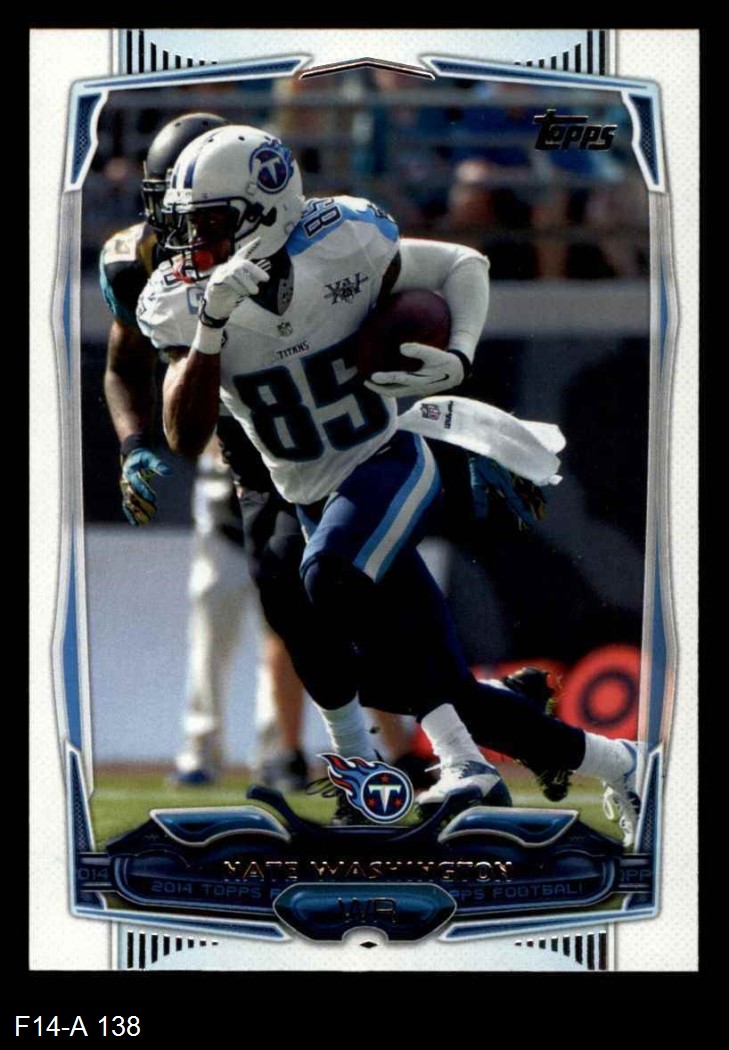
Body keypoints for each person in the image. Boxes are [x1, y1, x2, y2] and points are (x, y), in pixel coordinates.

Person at [137, 123, 645, 845]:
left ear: (266, 208)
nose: (195, 244)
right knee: (395, 676)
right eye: (190, 226)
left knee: (330, 580)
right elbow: (185, 436)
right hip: (308, 494)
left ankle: (462, 765)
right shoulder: (183, 300)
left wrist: (459, 354)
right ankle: (614, 762)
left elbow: (462, 264)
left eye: (212, 224)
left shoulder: (342, 240)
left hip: (384, 460)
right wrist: (211, 329)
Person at [99, 112, 308, 786]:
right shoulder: (138, 260)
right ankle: (201, 748)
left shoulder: (290, 244)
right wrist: (133, 443)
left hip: (291, 451)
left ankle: (279, 751)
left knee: (291, 612)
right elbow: (122, 365)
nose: (178, 222)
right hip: (222, 466)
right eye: (171, 202)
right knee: (214, 612)